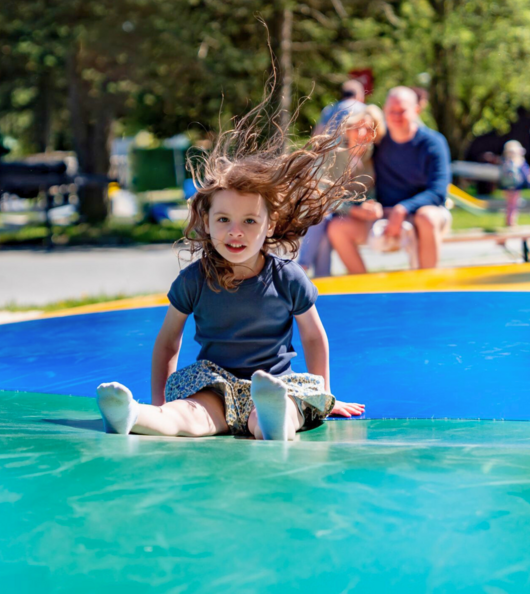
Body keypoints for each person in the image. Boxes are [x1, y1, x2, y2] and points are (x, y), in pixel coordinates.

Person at [96, 101, 365, 442]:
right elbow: (167, 342)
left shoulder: (287, 277)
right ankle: (137, 415)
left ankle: (273, 419)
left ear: (270, 226)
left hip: (276, 382)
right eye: (223, 220)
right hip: (216, 386)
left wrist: (324, 397)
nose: (235, 231)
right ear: (206, 224)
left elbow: (313, 336)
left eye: (249, 221)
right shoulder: (193, 280)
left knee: (290, 404)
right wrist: (161, 403)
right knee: (189, 417)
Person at [328, 86, 450, 273]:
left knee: (428, 217)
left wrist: (403, 209)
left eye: (402, 111)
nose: (396, 116)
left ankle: (429, 287)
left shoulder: (433, 143)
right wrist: (366, 205)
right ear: (385, 111)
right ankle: (364, 289)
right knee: (337, 227)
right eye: (391, 111)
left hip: (420, 212)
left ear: (416, 110)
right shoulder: (378, 142)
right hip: (383, 214)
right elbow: (359, 174)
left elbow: (438, 192)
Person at [298, 105, 385, 277]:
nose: (361, 133)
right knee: (322, 218)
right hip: (319, 208)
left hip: (345, 213)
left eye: (368, 129)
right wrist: (354, 209)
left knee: (328, 223)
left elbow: (368, 192)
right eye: (357, 127)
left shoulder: (371, 158)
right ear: (349, 128)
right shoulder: (333, 151)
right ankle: (303, 268)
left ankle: (319, 278)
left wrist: (370, 205)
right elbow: (320, 193)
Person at [499, 140, 529, 227]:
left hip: (506, 187)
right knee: (514, 204)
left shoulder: (505, 161)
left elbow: (501, 176)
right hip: (516, 187)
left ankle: (508, 220)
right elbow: (525, 172)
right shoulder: (519, 161)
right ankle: (512, 222)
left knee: (509, 204)